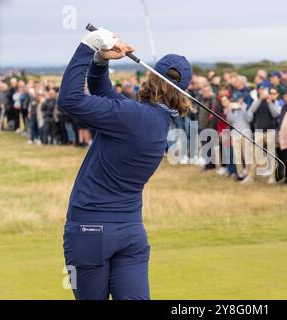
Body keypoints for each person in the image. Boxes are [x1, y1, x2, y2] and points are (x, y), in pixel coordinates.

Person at [59, 28, 192, 300]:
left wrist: (88, 46)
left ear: (151, 79)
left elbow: (69, 100)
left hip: (89, 232)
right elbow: (104, 92)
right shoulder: (156, 122)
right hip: (131, 235)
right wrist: (100, 62)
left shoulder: (133, 116)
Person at [243, 84, 281, 184]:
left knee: (272, 156)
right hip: (259, 131)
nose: (263, 92)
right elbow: (252, 110)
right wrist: (260, 99)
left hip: (271, 131)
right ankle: (250, 177)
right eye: (261, 90)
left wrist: (269, 102)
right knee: (256, 155)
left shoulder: (274, 102)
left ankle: (272, 177)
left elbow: (276, 114)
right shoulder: (257, 101)